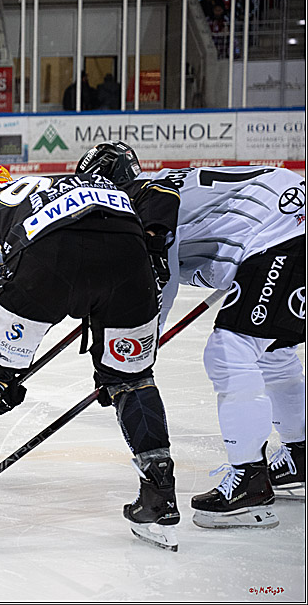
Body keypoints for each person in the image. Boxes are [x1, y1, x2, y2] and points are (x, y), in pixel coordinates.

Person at [0, 162, 179, 551]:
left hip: (48, 253)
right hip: (129, 251)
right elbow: (156, 192)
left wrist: (1, 379)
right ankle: (160, 494)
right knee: (131, 379)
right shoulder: (56, 183)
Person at [76, 142, 306, 525]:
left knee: (230, 350)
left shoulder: (135, 203)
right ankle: (299, 455)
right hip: (284, 223)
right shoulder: (159, 184)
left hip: (280, 231)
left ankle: (249, 478)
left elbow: (159, 274)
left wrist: (135, 354)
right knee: (270, 351)